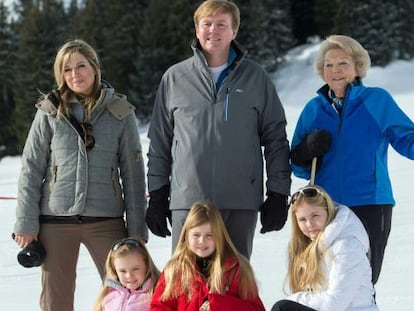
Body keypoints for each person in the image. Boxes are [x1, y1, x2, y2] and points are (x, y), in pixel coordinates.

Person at [146, 0, 291, 259]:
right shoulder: (175, 78)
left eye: (222, 24)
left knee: (234, 286)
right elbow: (159, 142)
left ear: (234, 31)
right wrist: (158, 195)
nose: (214, 30)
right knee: (186, 287)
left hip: (239, 201)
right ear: (196, 29)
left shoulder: (256, 77)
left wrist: (278, 193)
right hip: (187, 203)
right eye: (207, 24)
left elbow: (275, 139)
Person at [12, 39, 148, 310]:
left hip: (106, 220)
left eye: (81, 66)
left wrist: (136, 229)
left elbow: (133, 174)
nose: (75, 74)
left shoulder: (119, 112)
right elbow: (30, 169)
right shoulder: (49, 111)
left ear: (94, 68)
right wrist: (26, 223)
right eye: (67, 69)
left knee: (123, 294)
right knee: (56, 300)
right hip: (55, 220)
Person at [290, 34, 414, 284]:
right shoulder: (313, 109)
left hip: (369, 203)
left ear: (358, 67)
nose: (335, 70)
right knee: (325, 282)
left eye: (343, 63)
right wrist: (306, 150)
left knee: (361, 282)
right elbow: (297, 164)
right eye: (328, 65)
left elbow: (407, 140)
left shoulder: (376, 101)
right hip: (325, 208)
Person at [271, 185, 378, 311]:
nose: (309, 224)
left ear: (328, 211)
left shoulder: (346, 247)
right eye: (302, 219)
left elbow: (334, 303)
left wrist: (294, 299)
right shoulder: (311, 246)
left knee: (283, 308)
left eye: (315, 215)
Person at [150, 202, 265, 311]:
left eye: (209, 235)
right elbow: (159, 307)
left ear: (219, 236)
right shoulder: (174, 270)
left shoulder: (235, 269)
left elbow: (256, 309)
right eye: (196, 235)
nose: (202, 241)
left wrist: (218, 304)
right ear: (186, 236)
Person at [93, 237, 160, 311]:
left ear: (147, 265)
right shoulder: (109, 297)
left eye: (135, 269)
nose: (129, 276)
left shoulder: (155, 295)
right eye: (122, 271)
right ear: (115, 271)